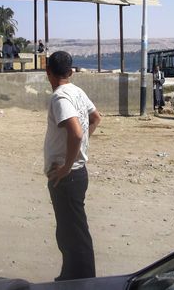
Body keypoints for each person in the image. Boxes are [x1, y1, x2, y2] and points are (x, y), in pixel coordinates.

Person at [44, 51, 101, 281]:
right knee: (69, 231)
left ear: (48, 72)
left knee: (74, 234)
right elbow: (96, 118)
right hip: (76, 173)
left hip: (68, 175)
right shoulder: (77, 91)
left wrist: (67, 165)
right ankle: (69, 276)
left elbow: (76, 133)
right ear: (70, 72)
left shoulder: (60, 97)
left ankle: (83, 281)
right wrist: (81, 146)